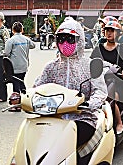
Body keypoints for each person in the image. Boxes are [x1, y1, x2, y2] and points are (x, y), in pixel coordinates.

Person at [34, 17, 107, 164]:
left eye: (70, 39)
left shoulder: (89, 65)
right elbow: (37, 88)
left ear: (79, 41)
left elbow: (100, 91)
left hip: (83, 118)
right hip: (52, 117)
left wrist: (88, 104)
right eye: (61, 39)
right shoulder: (51, 66)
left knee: (63, 143)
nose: (64, 43)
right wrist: (25, 97)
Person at [90, 20, 123, 134]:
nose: (109, 33)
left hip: (118, 77)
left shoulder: (121, 47)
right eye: (107, 31)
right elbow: (91, 62)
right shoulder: (98, 47)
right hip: (102, 79)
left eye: (112, 31)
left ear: (118, 33)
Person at [4, 22, 35, 96]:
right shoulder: (26, 39)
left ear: (12, 30)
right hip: (24, 65)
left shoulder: (11, 40)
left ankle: (17, 100)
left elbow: (6, 53)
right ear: (22, 30)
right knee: (21, 80)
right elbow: (33, 45)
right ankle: (25, 95)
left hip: (14, 66)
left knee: (16, 82)